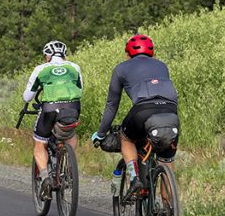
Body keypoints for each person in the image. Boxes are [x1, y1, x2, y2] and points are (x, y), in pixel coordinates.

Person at [92, 34, 179, 196]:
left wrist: (101, 133)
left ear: (127, 54)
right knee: (166, 162)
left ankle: (134, 178)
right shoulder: (162, 66)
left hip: (143, 110)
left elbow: (112, 105)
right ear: (152, 53)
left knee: (126, 138)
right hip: (170, 112)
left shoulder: (121, 69)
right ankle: (168, 215)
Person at [22, 40, 83, 201]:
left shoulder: (41, 69)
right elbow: (80, 89)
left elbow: (27, 97)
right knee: (70, 134)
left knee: (39, 144)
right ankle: (67, 167)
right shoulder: (74, 67)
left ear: (47, 56)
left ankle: (45, 178)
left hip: (49, 108)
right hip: (73, 107)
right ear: (64, 54)